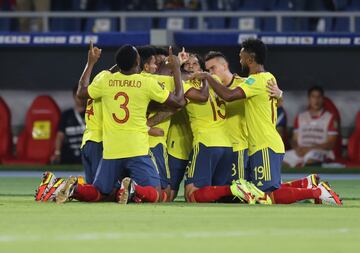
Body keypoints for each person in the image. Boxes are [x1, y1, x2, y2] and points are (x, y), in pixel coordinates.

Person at [195, 38, 342, 205]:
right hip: (263, 143)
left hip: (264, 144)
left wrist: (207, 77)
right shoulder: (268, 77)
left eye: (241, 56)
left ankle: (316, 191)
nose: (240, 60)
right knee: (262, 191)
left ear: (250, 59)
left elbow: (228, 96)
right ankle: (308, 184)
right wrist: (280, 95)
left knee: (266, 196)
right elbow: (274, 100)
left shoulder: (255, 80)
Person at [56, 42, 186, 204]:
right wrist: (176, 69)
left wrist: (90, 63)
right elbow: (179, 102)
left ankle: (75, 189)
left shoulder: (106, 81)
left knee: (100, 193)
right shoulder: (146, 83)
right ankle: (133, 188)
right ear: (138, 63)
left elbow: (81, 92)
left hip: (111, 151)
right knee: (156, 194)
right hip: (136, 149)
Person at [204, 51, 249, 183]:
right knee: (218, 193)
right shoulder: (207, 89)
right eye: (207, 70)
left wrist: (279, 93)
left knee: (237, 193)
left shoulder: (244, 83)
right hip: (218, 148)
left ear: (225, 66)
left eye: (213, 68)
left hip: (238, 146)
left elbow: (271, 98)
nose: (211, 73)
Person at [283, 86, 338, 167]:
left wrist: (309, 148)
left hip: (319, 150)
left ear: (322, 99)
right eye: (313, 97)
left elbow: (330, 143)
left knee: (311, 160)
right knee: (280, 160)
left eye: (319, 97)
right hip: (300, 150)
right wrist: (297, 148)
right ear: (309, 99)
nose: (316, 100)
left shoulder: (330, 117)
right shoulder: (300, 117)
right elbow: (294, 139)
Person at [51, 86, 86, 164]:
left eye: (83, 97)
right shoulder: (66, 115)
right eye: (78, 97)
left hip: (88, 153)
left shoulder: (93, 113)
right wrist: (57, 153)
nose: (81, 99)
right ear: (74, 97)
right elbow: (60, 135)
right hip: (70, 153)